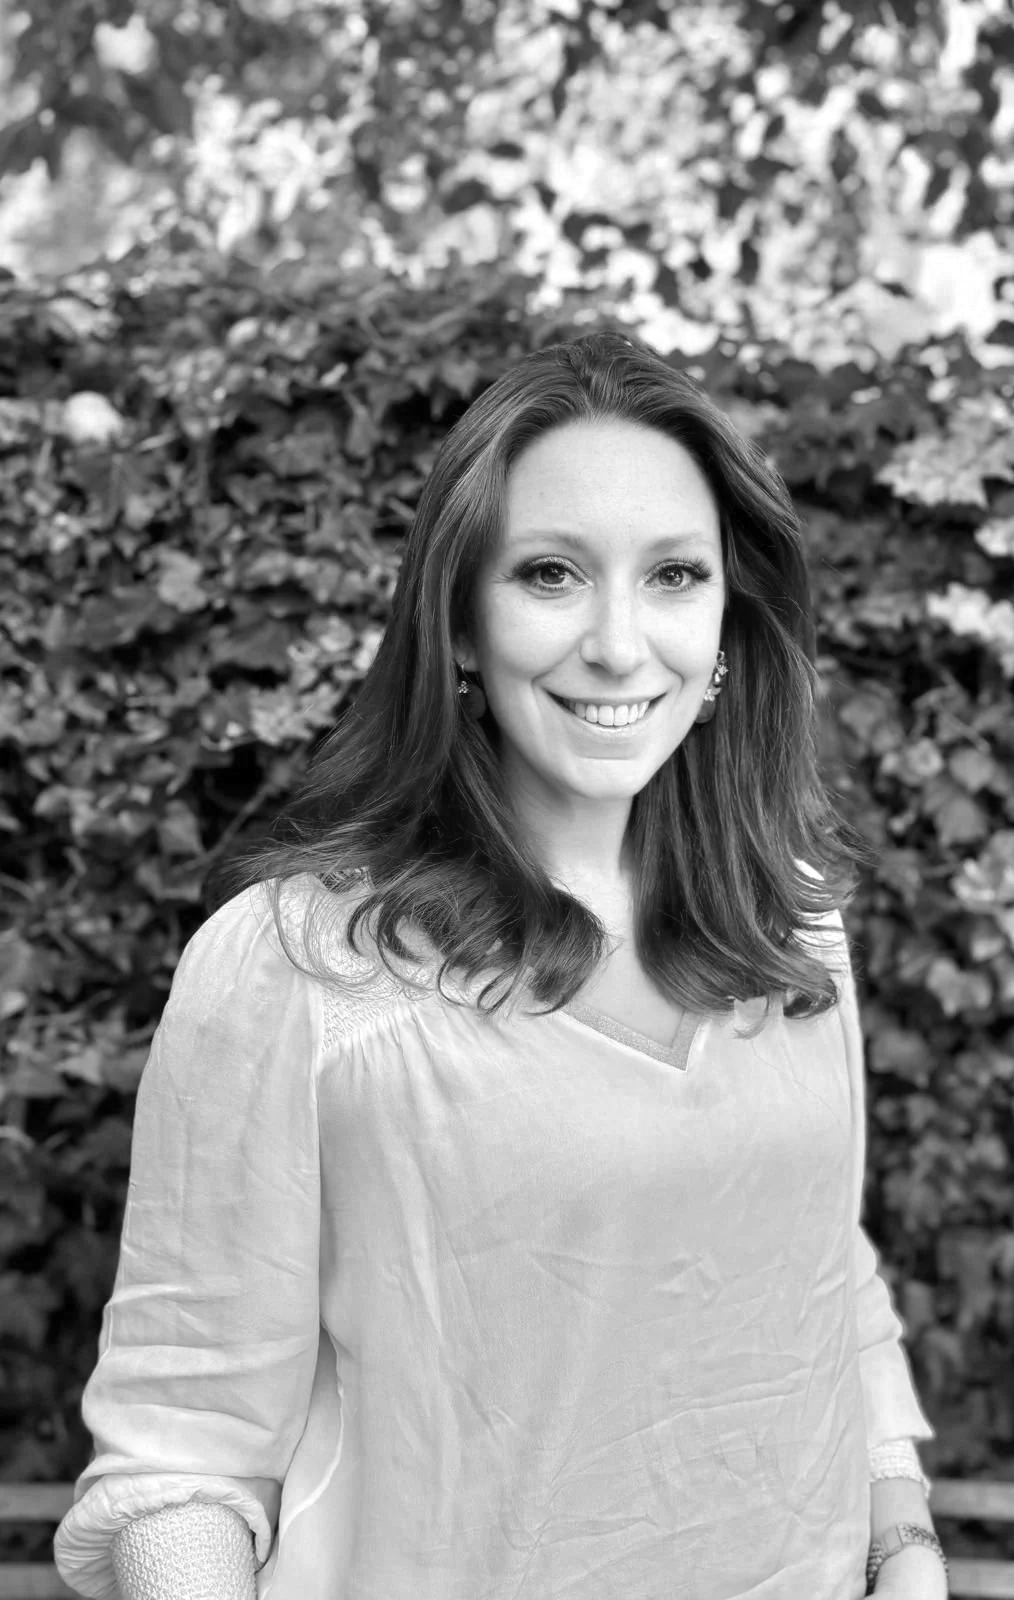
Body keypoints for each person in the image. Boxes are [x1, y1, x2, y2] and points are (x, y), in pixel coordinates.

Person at [54, 329, 946, 1600]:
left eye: (676, 576)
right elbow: (183, 1456)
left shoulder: (792, 926)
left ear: (731, 629)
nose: (621, 644)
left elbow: (822, 1276)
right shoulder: (297, 969)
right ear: (459, 622)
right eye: (551, 574)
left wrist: (904, 1546)